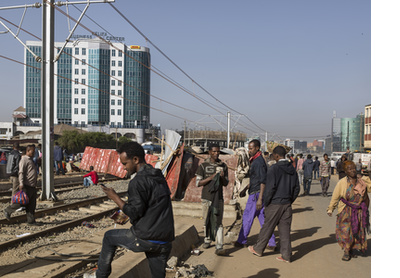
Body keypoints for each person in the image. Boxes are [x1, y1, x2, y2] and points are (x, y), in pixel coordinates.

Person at [92, 142, 174, 278]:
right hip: (165, 239)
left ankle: (99, 275)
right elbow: (148, 206)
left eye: (125, 164)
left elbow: (134, 212)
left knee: (109, 237)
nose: (124, 168)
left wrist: (115, 197)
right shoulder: (158, 175)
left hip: (146, 238)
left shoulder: (137, 182)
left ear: (135, 160)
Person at [248, 146, 300, 262]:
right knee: (285, 230)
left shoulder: (274, 169)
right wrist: (289, 200)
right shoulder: (292, 169)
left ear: (276, 156)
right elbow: (297, 188)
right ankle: (286, 255)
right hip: (287, 204)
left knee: (267, 227)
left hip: (275, 203)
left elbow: (270, 188)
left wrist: (266, 202)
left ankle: (258, 249)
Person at [235, 139, 276, 250]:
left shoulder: (258, 162)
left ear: (257, 148)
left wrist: (259, 198)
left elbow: (263, 181)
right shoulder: (257, 161)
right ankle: (271, 242)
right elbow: (256, 179)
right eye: (249, 148)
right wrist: (245, 189)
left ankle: (241, 240)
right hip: (256, 192)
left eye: (251, 148)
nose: (249, 150)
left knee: (248, 217)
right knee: (263, 220)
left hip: (256, 195)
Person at [327, 160, 371, 261]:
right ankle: (346, 251)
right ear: (345, 171)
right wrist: (330, 209)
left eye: (353, 168)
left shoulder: (361, 180)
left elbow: (370, 188)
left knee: (356, 231)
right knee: (346, 231)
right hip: (345, 211)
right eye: (349, 169)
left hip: (358, 211)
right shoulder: (342, 183)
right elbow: (335, 196)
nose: (352, 171)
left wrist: (365, 179)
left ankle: (351, 249)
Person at [196, 143, 229, 256]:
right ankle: (207, 239)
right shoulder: (203, 166)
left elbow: (225, 183)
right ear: (209, 152)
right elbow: (198, 183)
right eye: (214, 151)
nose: (216, 154)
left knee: (218, 222)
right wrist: (211, 178)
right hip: (206, 198)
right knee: (207, 220)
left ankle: (219, 246)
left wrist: (222, 177)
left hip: (218, 198)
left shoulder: (223, 165)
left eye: (218, 152)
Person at [4, 144, 39, 225]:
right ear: (28, 151)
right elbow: (21, 172)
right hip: (27, 185)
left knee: (32, 204)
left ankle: (31, 221)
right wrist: (21, 183)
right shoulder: (24, 160)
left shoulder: (30, 160)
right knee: (21, 202)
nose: (33, 153)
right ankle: (8, 210)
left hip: (32, 186)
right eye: (32, 151)